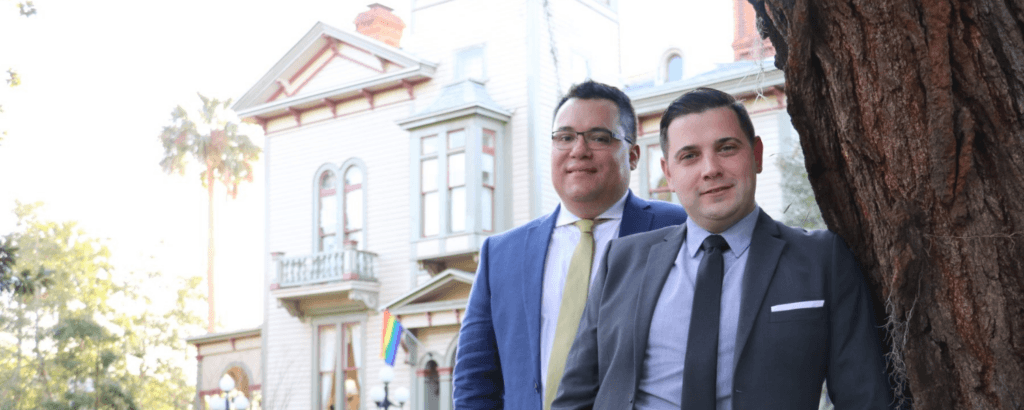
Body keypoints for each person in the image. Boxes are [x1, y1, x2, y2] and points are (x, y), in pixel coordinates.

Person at [553, 88, 891, 410]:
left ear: (756, 155)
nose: (711, 169)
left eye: (727, 148)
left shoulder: (821, 260)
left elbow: (863, 398)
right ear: (669, 173)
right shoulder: (622, 260)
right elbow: (575, 396)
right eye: (689, 156)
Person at [453, 80, 688, 410]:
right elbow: (475, 379)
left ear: (633, 155)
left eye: (599, 137)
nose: (579, 150)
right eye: (564, 137)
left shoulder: (679, 230)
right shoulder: (501, 254)